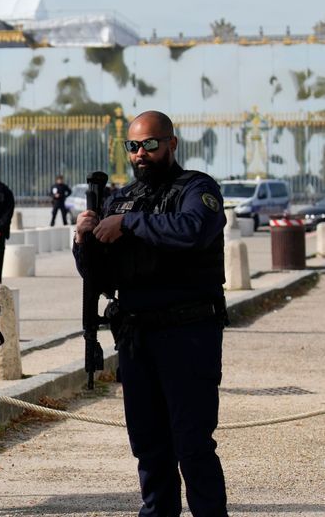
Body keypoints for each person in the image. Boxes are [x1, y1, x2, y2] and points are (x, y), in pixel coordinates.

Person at [73, 110, 228, 517]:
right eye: (134, 146)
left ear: (172, 144)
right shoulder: (121, 198)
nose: (141, 153)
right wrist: (84, 239)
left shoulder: (197, 188)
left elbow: (192, 230)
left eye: (151, 144)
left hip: (188, 334)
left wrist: (129, 223)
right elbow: (100, 276)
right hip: (138, 338)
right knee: (149, 447)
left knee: (193, 445)